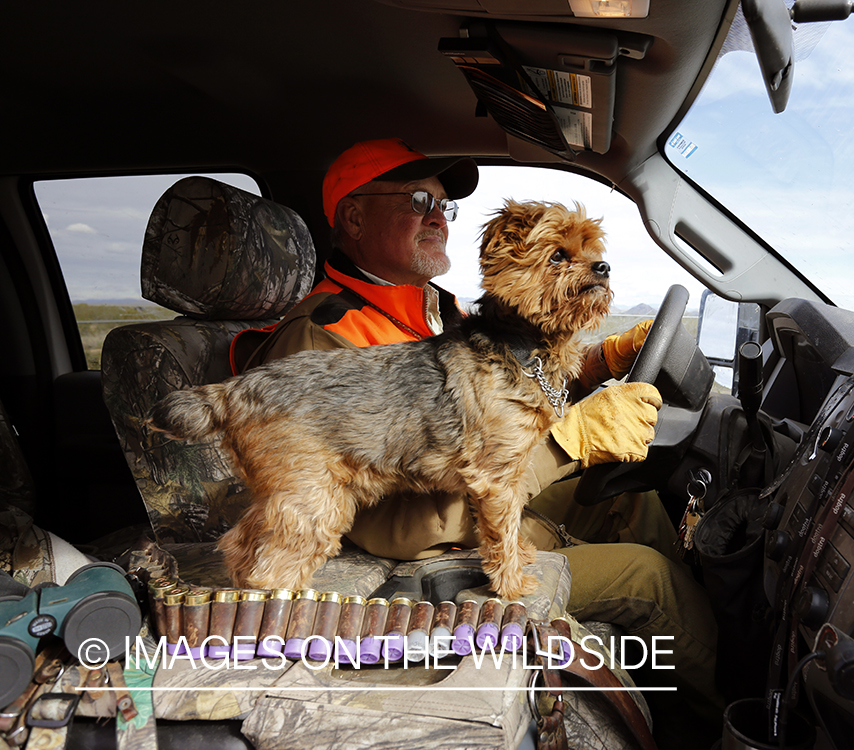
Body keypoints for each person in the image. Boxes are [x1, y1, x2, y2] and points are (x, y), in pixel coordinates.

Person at [230, 138, 723, 739]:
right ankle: (711, 724)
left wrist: (598, 364)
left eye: (444, 204)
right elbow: (390, 528)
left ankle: (685, 672)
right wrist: (566, 442)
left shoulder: (435, 308)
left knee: (632, 495)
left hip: (486, 505)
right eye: (418, 200)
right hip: (428, 562)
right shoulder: (325, 341)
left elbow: (507, 388)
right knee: (650, 578)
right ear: (354, 217)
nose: (439, 215)